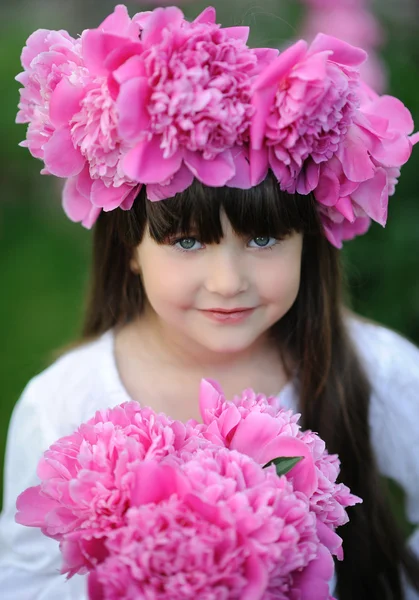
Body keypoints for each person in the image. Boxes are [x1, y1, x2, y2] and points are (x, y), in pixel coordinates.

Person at [0, 4, 418, 599]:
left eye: (266, 238)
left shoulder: (376, 371)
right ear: (131, 248)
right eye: (188, 240)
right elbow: (26, 578)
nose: (228, 282)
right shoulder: (62, 405)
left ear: (310, 241)